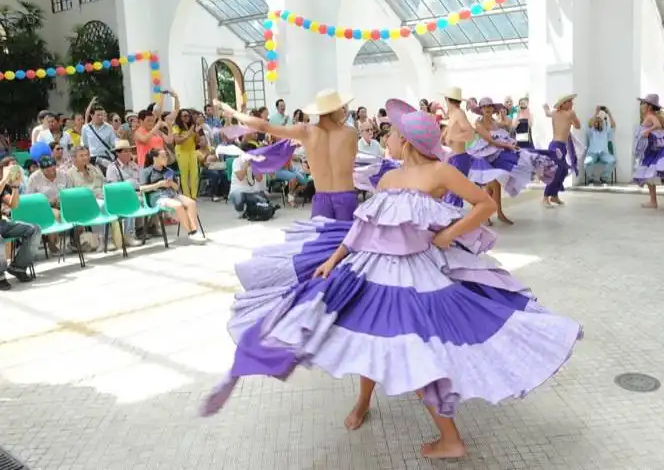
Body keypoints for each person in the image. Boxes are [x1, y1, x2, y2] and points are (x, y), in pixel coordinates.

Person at [201, 105, 582, 461]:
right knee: (374, 336)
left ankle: (450, 438)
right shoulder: (390, 177)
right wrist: (334, 259)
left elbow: (482, 205)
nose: (388, 140)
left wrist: (449, 235)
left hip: (416, 277)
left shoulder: (440, 171)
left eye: (393, 135)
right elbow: (363, 227)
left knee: (408, 351)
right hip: (373, 271)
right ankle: (365, 402)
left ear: (407, 141)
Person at [215, 89, 359, 221]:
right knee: (346, 244)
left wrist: (233, 112)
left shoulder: (306, 131)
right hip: (345, 195)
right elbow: (349, 159)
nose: (345, 110)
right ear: (333, 110)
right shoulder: (350, 133)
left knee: (321, 245)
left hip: (322, 197)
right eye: (342, 107)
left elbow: (264, 126)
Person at [468, 97, 556, 224]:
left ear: (493, 109)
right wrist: (508, 145)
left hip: (496, 154)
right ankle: (487, 214)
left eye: (489, 106)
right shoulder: (479, 123)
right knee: (491, 184)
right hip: (484, 157)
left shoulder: (494, 121)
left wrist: (504, 117)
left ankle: (496, 213)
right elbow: (491, 140)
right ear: (480, 109)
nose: (487, 109)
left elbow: (508, 125)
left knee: (495, 185)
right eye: (484, 107)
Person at [140, 148, 204, 243]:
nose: (166, 158)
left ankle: (194, 230)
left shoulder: (169, 170)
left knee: (191, 203)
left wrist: (171, 184)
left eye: (166, 156)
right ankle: (192, 232)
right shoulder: (146, 171)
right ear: (155, 158)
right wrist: (159, 184)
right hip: (158, 197)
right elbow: (142, 188)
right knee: (178, 205)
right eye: (163, 156)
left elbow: (177, 188)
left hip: (171, 194)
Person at [0, 163, 40, 289]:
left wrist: (16, 186)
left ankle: (18, 267)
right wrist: (5, 179)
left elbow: (13, 205)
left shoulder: (3, 185)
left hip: (2, 223)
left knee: (34, 229)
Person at [541, 95, 582, 206]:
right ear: (562, 104)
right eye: (569, 101)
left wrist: (545, 107)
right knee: (557, 170)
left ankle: (554, 196)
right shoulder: (570, 113)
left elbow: (547, 112)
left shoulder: (555, 112)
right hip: (556, 145)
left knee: (563, 171)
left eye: (571, 101)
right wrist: (572, 121)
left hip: (561, 146)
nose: (571, 103)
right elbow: (578, 126)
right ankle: (545, 197)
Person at [440, 87, 473, 207]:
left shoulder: (458, 113)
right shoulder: (454, 114)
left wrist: (453, 137)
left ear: (447, 99)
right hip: (454, 157)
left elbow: (469, 133)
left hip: (459, 158)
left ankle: (454, 221)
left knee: (454, 193)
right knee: (451, 192)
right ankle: (453, 220)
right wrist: (445, 135)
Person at [80, 98, 116, 171]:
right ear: (91, 115)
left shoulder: (109, 127)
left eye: (102, 115)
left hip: (106, 158)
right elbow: (85, 145)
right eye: (98, 115)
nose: (101, 117)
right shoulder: (86, 128)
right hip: (92, 159)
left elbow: (114, 144)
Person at [584, 106, 616, 184]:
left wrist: (609, 113)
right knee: (587, 162)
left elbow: (613, 125)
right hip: (592, 153)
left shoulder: (606, 131)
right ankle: (592, 178)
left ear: (602, 123)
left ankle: (604, 177)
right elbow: (590, 124)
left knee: (613, 161)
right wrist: (596, 113)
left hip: (604, 153)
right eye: (596, 121)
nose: (598, 123)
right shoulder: (591, 131)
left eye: (600, 121)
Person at [172, 109, 200, 198]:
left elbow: (197, 141)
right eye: (184, 116)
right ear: (180, 117)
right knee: (184, 176)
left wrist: (196, 132)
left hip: (192, 152)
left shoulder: (192, 126)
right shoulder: (176, 127)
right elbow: (177, 141)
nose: (187, 117)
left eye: (188, 115)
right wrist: (188, 134)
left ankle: (194, 196)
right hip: (181, 152)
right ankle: (187, 196)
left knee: (194, 175)